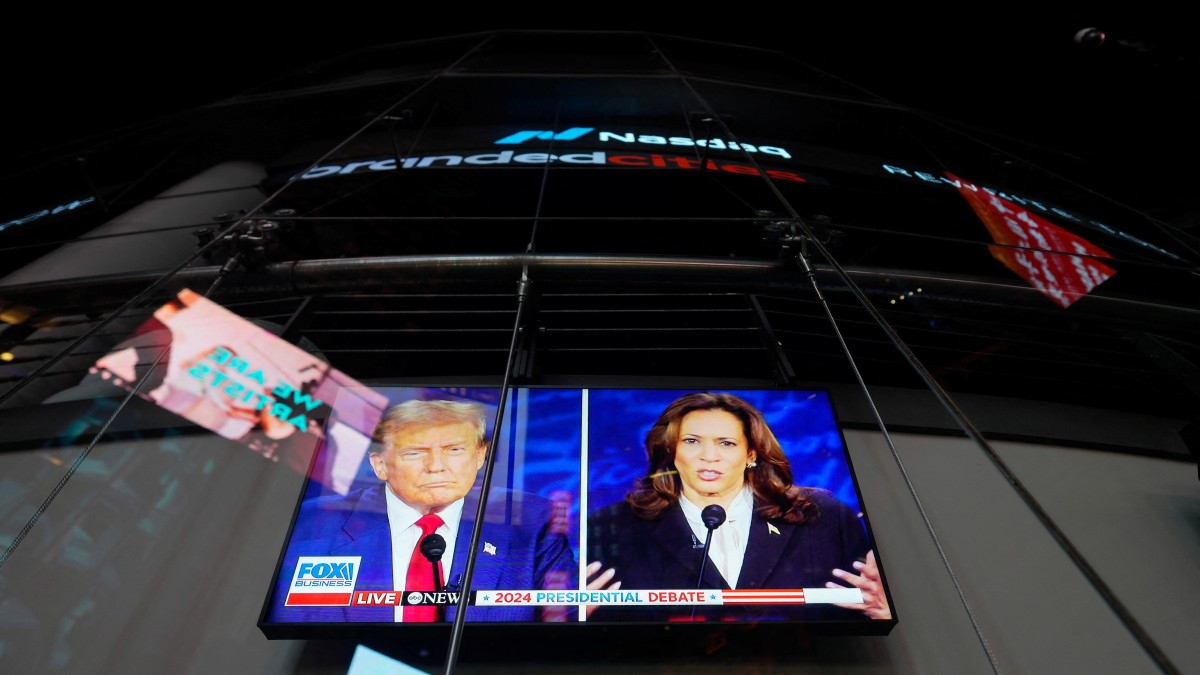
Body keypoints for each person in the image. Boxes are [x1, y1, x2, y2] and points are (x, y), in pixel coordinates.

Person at [586, 391, 891, 622]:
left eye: (726, 443)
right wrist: (573, 616)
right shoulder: (613, 525)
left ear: (751, 454)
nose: (709, 456)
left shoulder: (822, 516)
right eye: (691, 441)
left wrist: (882, 611)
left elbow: (866, 608)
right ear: (670, 450)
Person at [267, 399, 576, 623]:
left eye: (455, 450)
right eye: (416, 453)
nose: (437, 467)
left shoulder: (532, 520)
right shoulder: (311, 525)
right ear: (380, 464)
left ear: (480, 456)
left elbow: (560, 620)